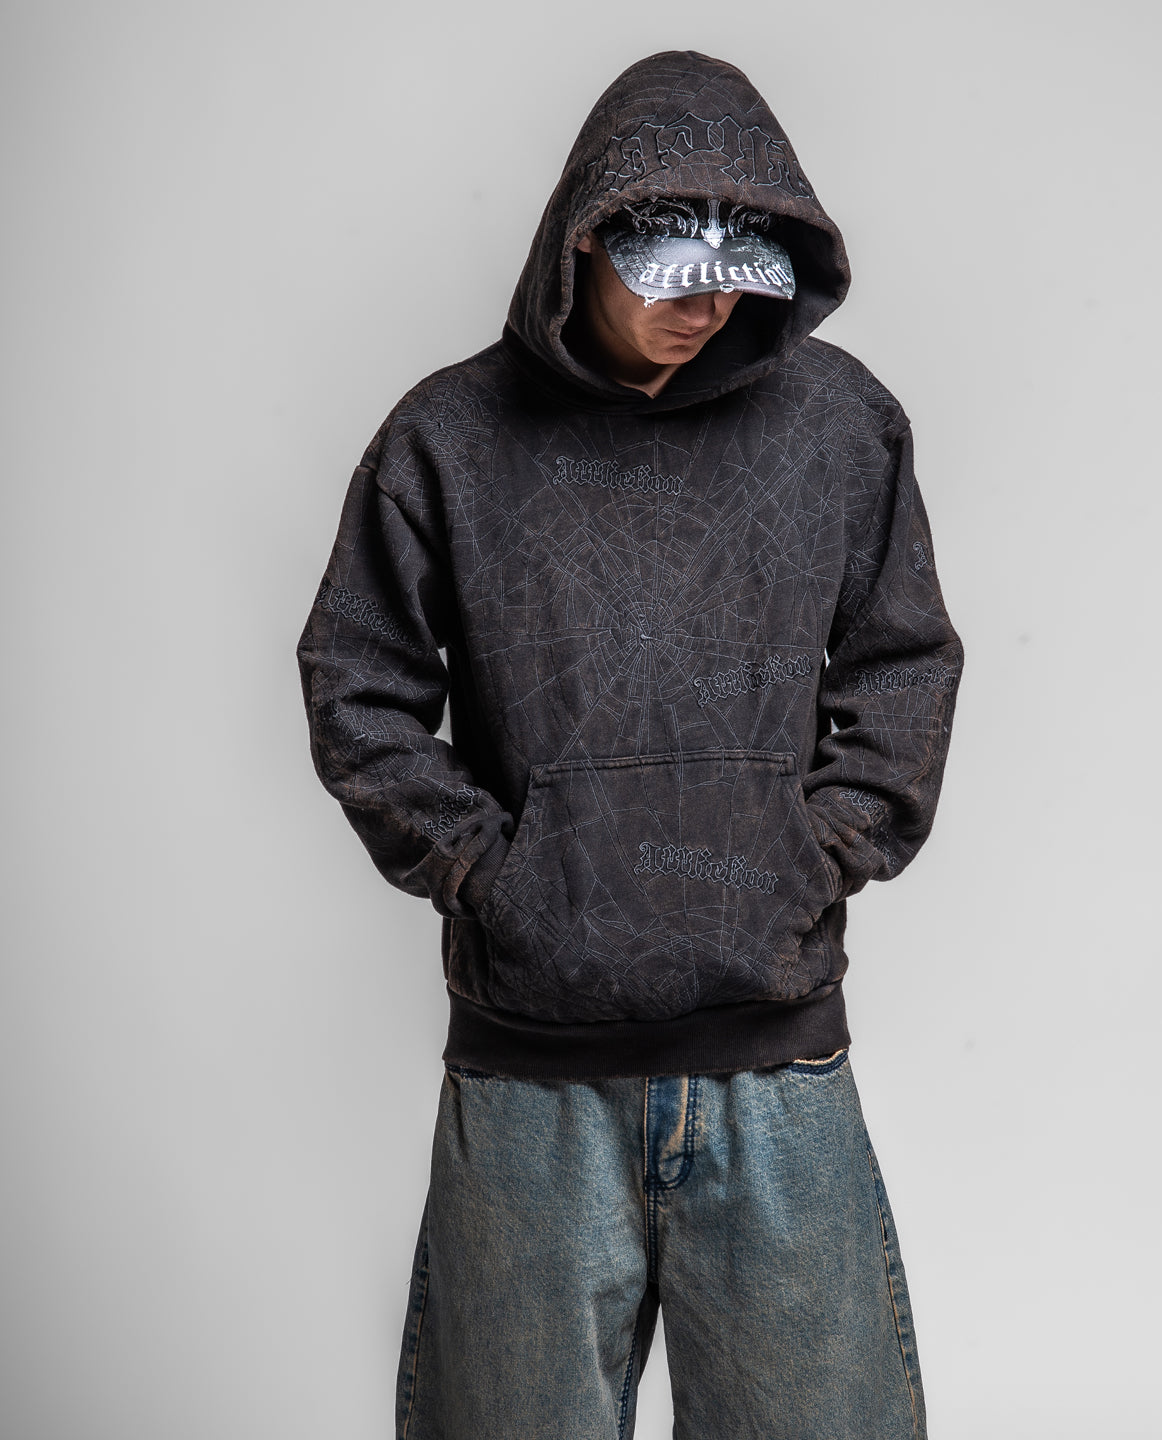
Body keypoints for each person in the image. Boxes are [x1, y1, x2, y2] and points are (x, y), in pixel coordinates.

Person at [297, 49, 961, 1440]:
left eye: (739, 265)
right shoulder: (447, 438)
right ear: (582, 238)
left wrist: (814, 850)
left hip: (775, 1070)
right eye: (667, 262)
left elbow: (904, 663)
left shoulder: (842, 427)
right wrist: (489, 872)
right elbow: (357, 681)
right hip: (528, 1085)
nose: (704, 302)